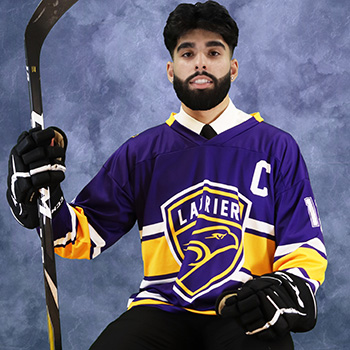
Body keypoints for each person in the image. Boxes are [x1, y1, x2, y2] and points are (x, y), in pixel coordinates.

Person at [7, 1, 327, 349]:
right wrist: (41, 198)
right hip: (160, 308)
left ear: (233, 68)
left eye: (213, 52)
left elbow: (303, 245)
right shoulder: (141, 152)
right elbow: (83, 234)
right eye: (187, 53)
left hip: (244, 309)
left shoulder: (276, 146)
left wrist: (287, 289)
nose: (201, 62)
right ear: (171, 70)